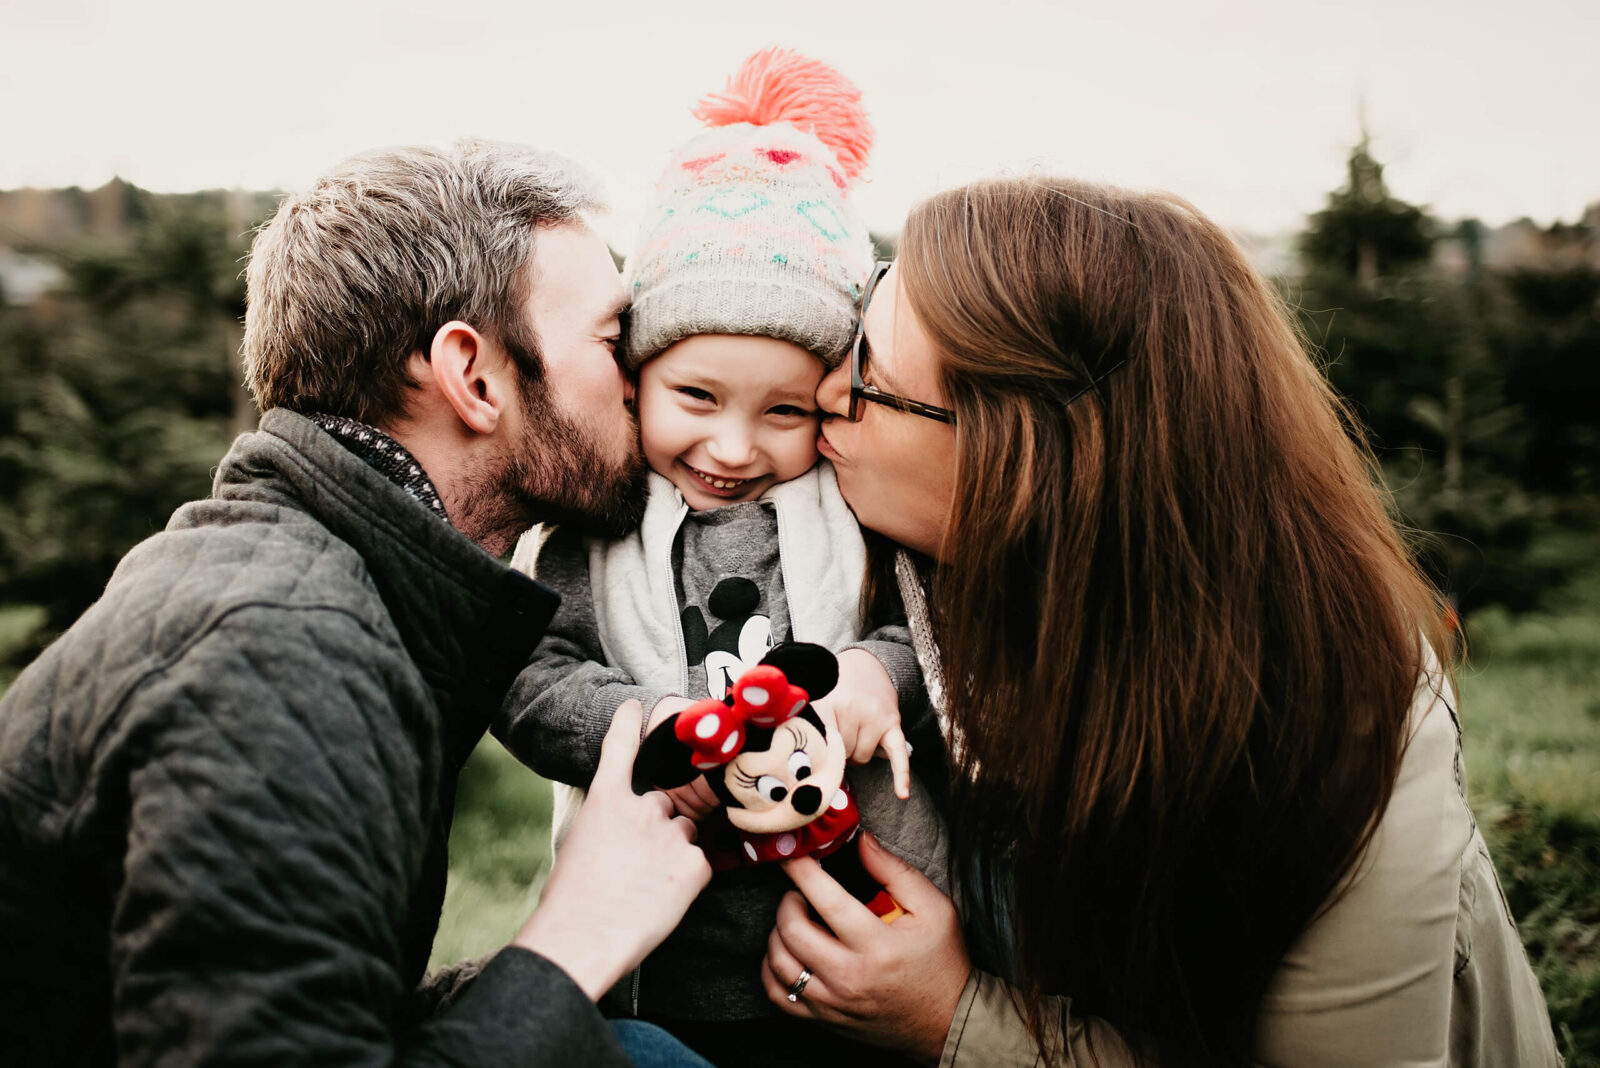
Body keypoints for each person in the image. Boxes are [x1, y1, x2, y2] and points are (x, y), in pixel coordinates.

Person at [759, 177, 1562, 1066]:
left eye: (871, 372)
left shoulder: (1336, 717)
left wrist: (950, 1018)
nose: (827, 388)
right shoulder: (897, 566)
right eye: (869, 300)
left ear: (1025, 465)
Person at [0, 140, 714, 1066]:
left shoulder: (318, 586)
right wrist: (572, 941)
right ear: (475, 376)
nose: (640, 380)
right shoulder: (281, 658)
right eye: (615, 341)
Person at [495, 50, 945, 1068]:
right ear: (639, 374)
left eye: (782, 411)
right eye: (696, 399)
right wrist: (643, 729)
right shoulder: (596, 527)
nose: (735, 448)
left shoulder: (851, 512)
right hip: (672, 948)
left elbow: (924, 625)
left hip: (846, 928)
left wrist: (879, 674)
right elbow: (529, 677)